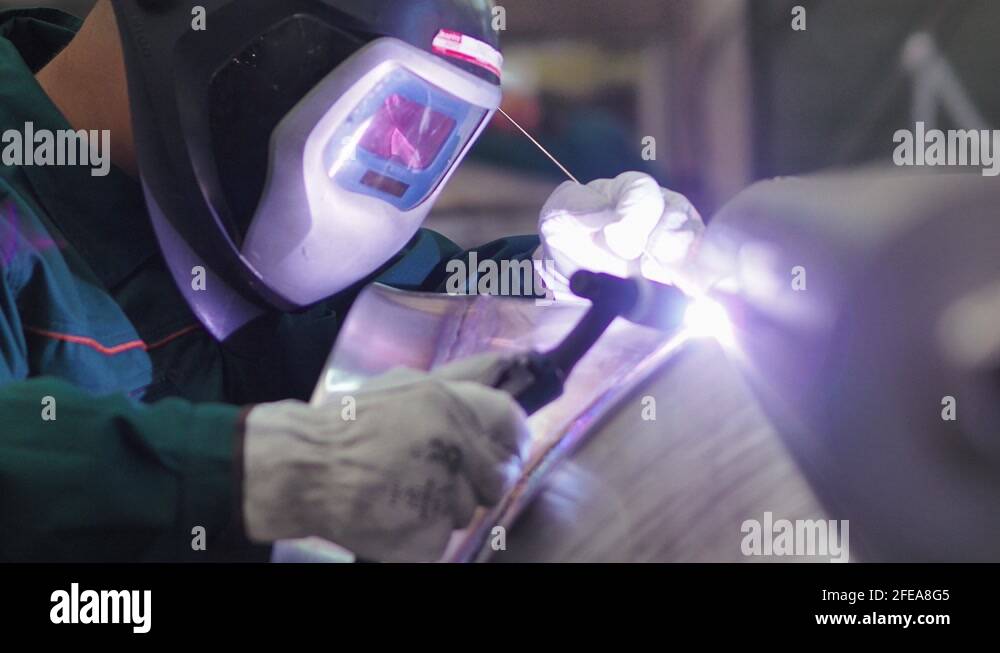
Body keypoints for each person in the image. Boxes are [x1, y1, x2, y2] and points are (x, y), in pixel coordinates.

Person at [0, 0, 701, 562]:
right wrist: (263, 474)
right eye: (385, 126)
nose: (397, 159)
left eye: (422, 137)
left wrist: (562, 279)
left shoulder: (239, 237)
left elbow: (415, 297)